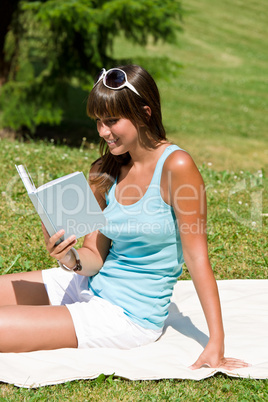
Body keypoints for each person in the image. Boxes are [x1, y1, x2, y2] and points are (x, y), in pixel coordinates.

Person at [0, 65, 248, 370]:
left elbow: (197, 258)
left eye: (112, 121)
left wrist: (216, 342)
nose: (103, 132)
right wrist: (68, 257)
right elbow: (93, 257)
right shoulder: (104, 170)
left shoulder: (177, 166)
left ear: (145, 113)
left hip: (125, 316)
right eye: (98, 122)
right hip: (88, 284)